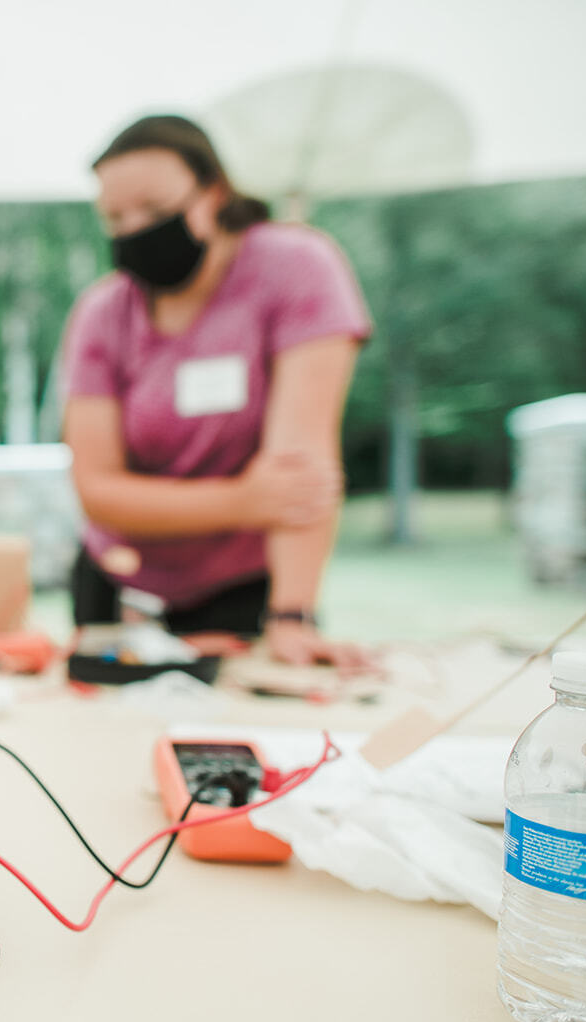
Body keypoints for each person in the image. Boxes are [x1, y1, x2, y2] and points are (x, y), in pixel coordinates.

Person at [60, 115, 371, 669]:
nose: (134, 229)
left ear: (214, 194)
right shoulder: (102, 312)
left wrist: (292, 617)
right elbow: (97, 489)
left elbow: (302, 470)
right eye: (114, 218)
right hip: (117, 583)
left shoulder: (297, 267)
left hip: (246, 591)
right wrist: (241, 501)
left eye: (154, 211)